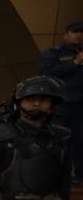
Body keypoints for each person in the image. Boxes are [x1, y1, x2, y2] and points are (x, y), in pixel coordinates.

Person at [38, 21, 83, 183]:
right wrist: (74, 63)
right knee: (59, 142)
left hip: (81, 106)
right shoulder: (54, 54)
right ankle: (57, 175)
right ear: (65, 34)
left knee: (80, 142)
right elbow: (46, 73)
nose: (78, 35)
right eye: (74, 31)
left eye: (81, 32)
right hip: (63, 106)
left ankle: (79, 176)